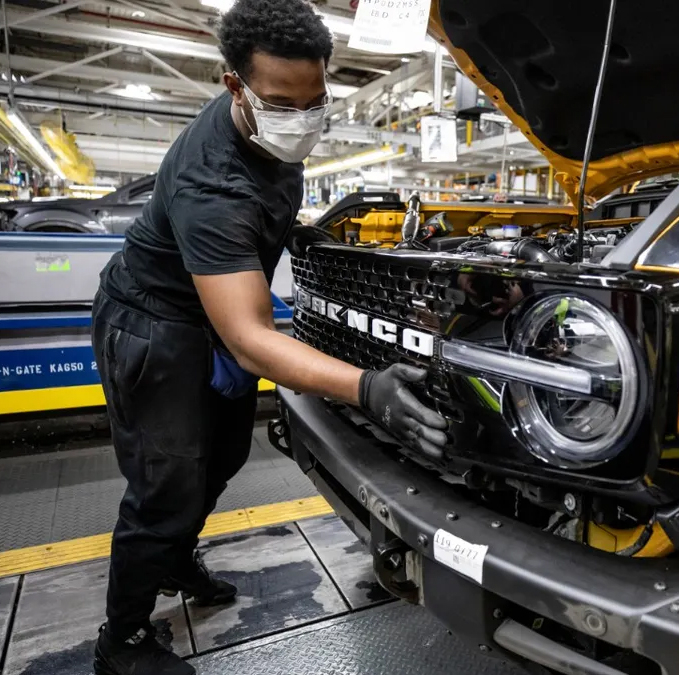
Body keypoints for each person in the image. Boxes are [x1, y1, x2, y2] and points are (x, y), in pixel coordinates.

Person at [89, 1, 449, 673]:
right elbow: (252, 338)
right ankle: (123, 640)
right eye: (283, 104)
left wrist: (301, 230)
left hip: (206, 320)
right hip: (153, 325)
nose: (302, 119)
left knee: (221, 458)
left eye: (314, 102)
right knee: (165, 486)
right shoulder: (213, 183)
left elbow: (264, 216)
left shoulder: (271, 131)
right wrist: (367, 388)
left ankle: (172, 559)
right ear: (236, 86)